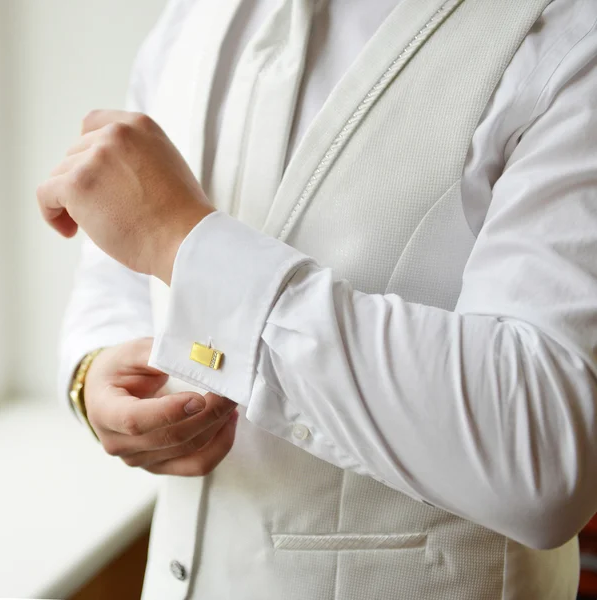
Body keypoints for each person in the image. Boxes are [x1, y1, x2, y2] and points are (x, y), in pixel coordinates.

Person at [37, 0, 597, 598]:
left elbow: (548, 454)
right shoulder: (190, 16)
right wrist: (91, 374)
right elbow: (117, 268)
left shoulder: (569, 34)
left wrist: (185, 244)